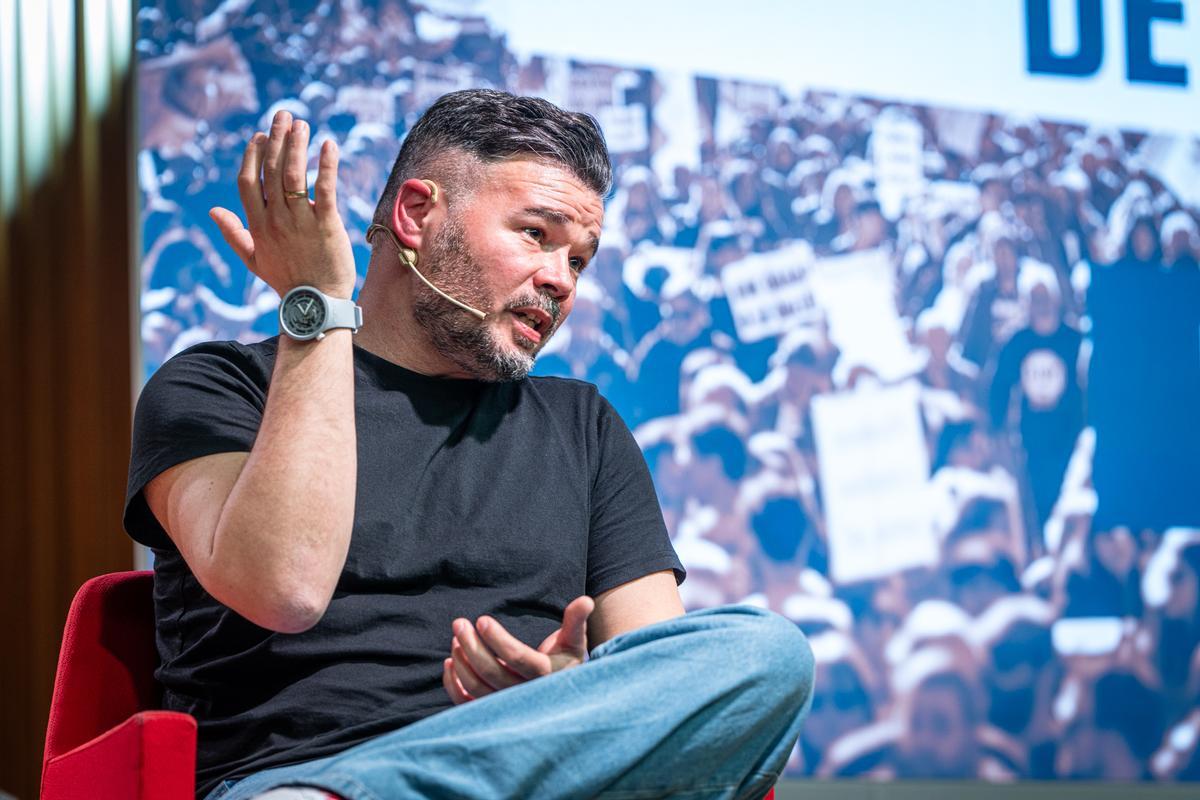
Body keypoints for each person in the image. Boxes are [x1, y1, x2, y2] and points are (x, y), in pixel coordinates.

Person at [123, 89, 813, 800]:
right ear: (416, 215)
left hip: (542, 775)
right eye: (536, 235)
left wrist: (563, 698)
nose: (559, 280)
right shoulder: (218, 385)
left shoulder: (586, 425)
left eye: (579, 261)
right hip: (301, 775)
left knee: (769, 652)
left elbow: (660, 673)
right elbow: (286, 588)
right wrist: (319, 307)